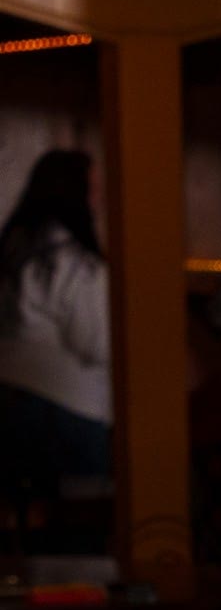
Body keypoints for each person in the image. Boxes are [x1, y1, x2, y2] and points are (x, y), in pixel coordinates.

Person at [0, 148, 111, 484]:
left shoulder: (14, 253)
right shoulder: (72, 265)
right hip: (65, 413)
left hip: (11, 404)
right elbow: (99, 344)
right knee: (85, 509)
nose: (99, 200)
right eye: (93, 189)